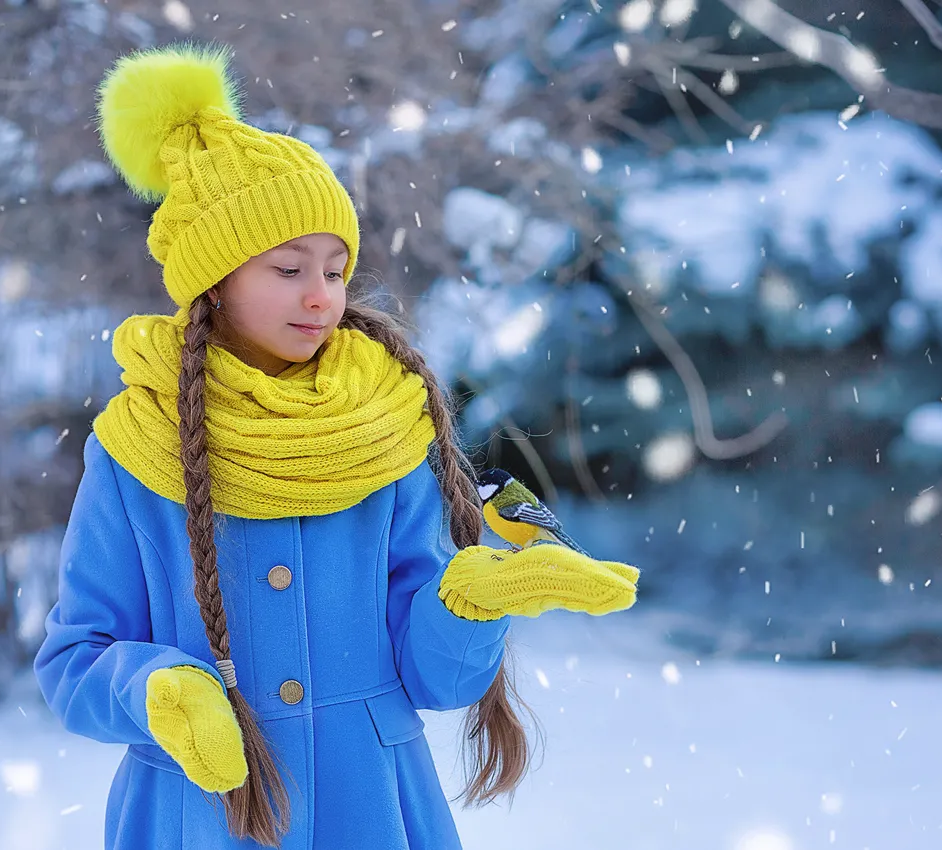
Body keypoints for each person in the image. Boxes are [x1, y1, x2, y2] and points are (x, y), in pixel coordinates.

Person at [33, 42, 639, 849]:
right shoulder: (134, 449)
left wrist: (474, 602)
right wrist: (158, 691)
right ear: (215, 282)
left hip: (374, 812)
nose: (322, 296)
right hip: (197, 819)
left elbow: (434, 678)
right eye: (288, 269)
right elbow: (74, 658)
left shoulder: (384, 429)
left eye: (336, 268)